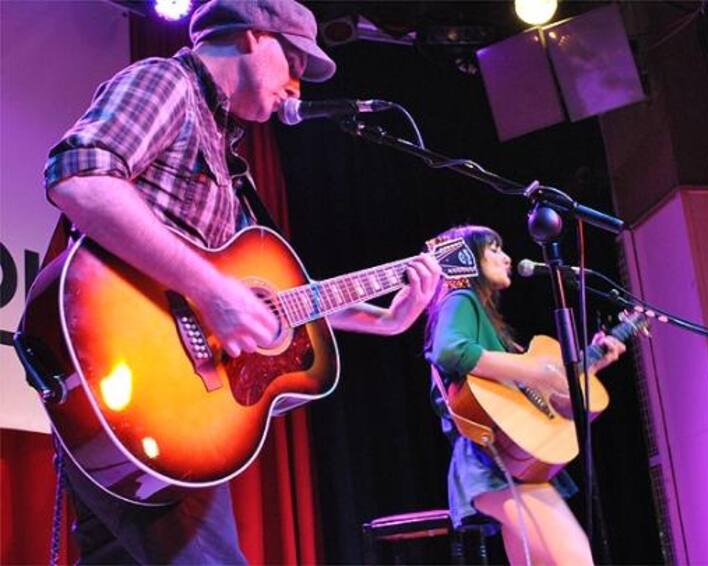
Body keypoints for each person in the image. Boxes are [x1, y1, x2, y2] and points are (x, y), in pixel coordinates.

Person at [42, 0, 441, 562]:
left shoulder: (231, 161)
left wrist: (383, 319)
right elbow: (79, 175)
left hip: (163, 411)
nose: (296, 87)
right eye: (294, 64)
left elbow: (270, 300)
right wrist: (210, 291)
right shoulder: (168, 83)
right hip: (136, 378)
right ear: (253, 37)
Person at [424, 225, 626, 565]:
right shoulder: (461, 298)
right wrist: (534, 370)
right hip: (491, 456)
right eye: (494, 249)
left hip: (510, 457)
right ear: (468, 260)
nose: (507, 258)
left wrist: (590, 364)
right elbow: (449, 350)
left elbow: (538, 395)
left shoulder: (490, 325)